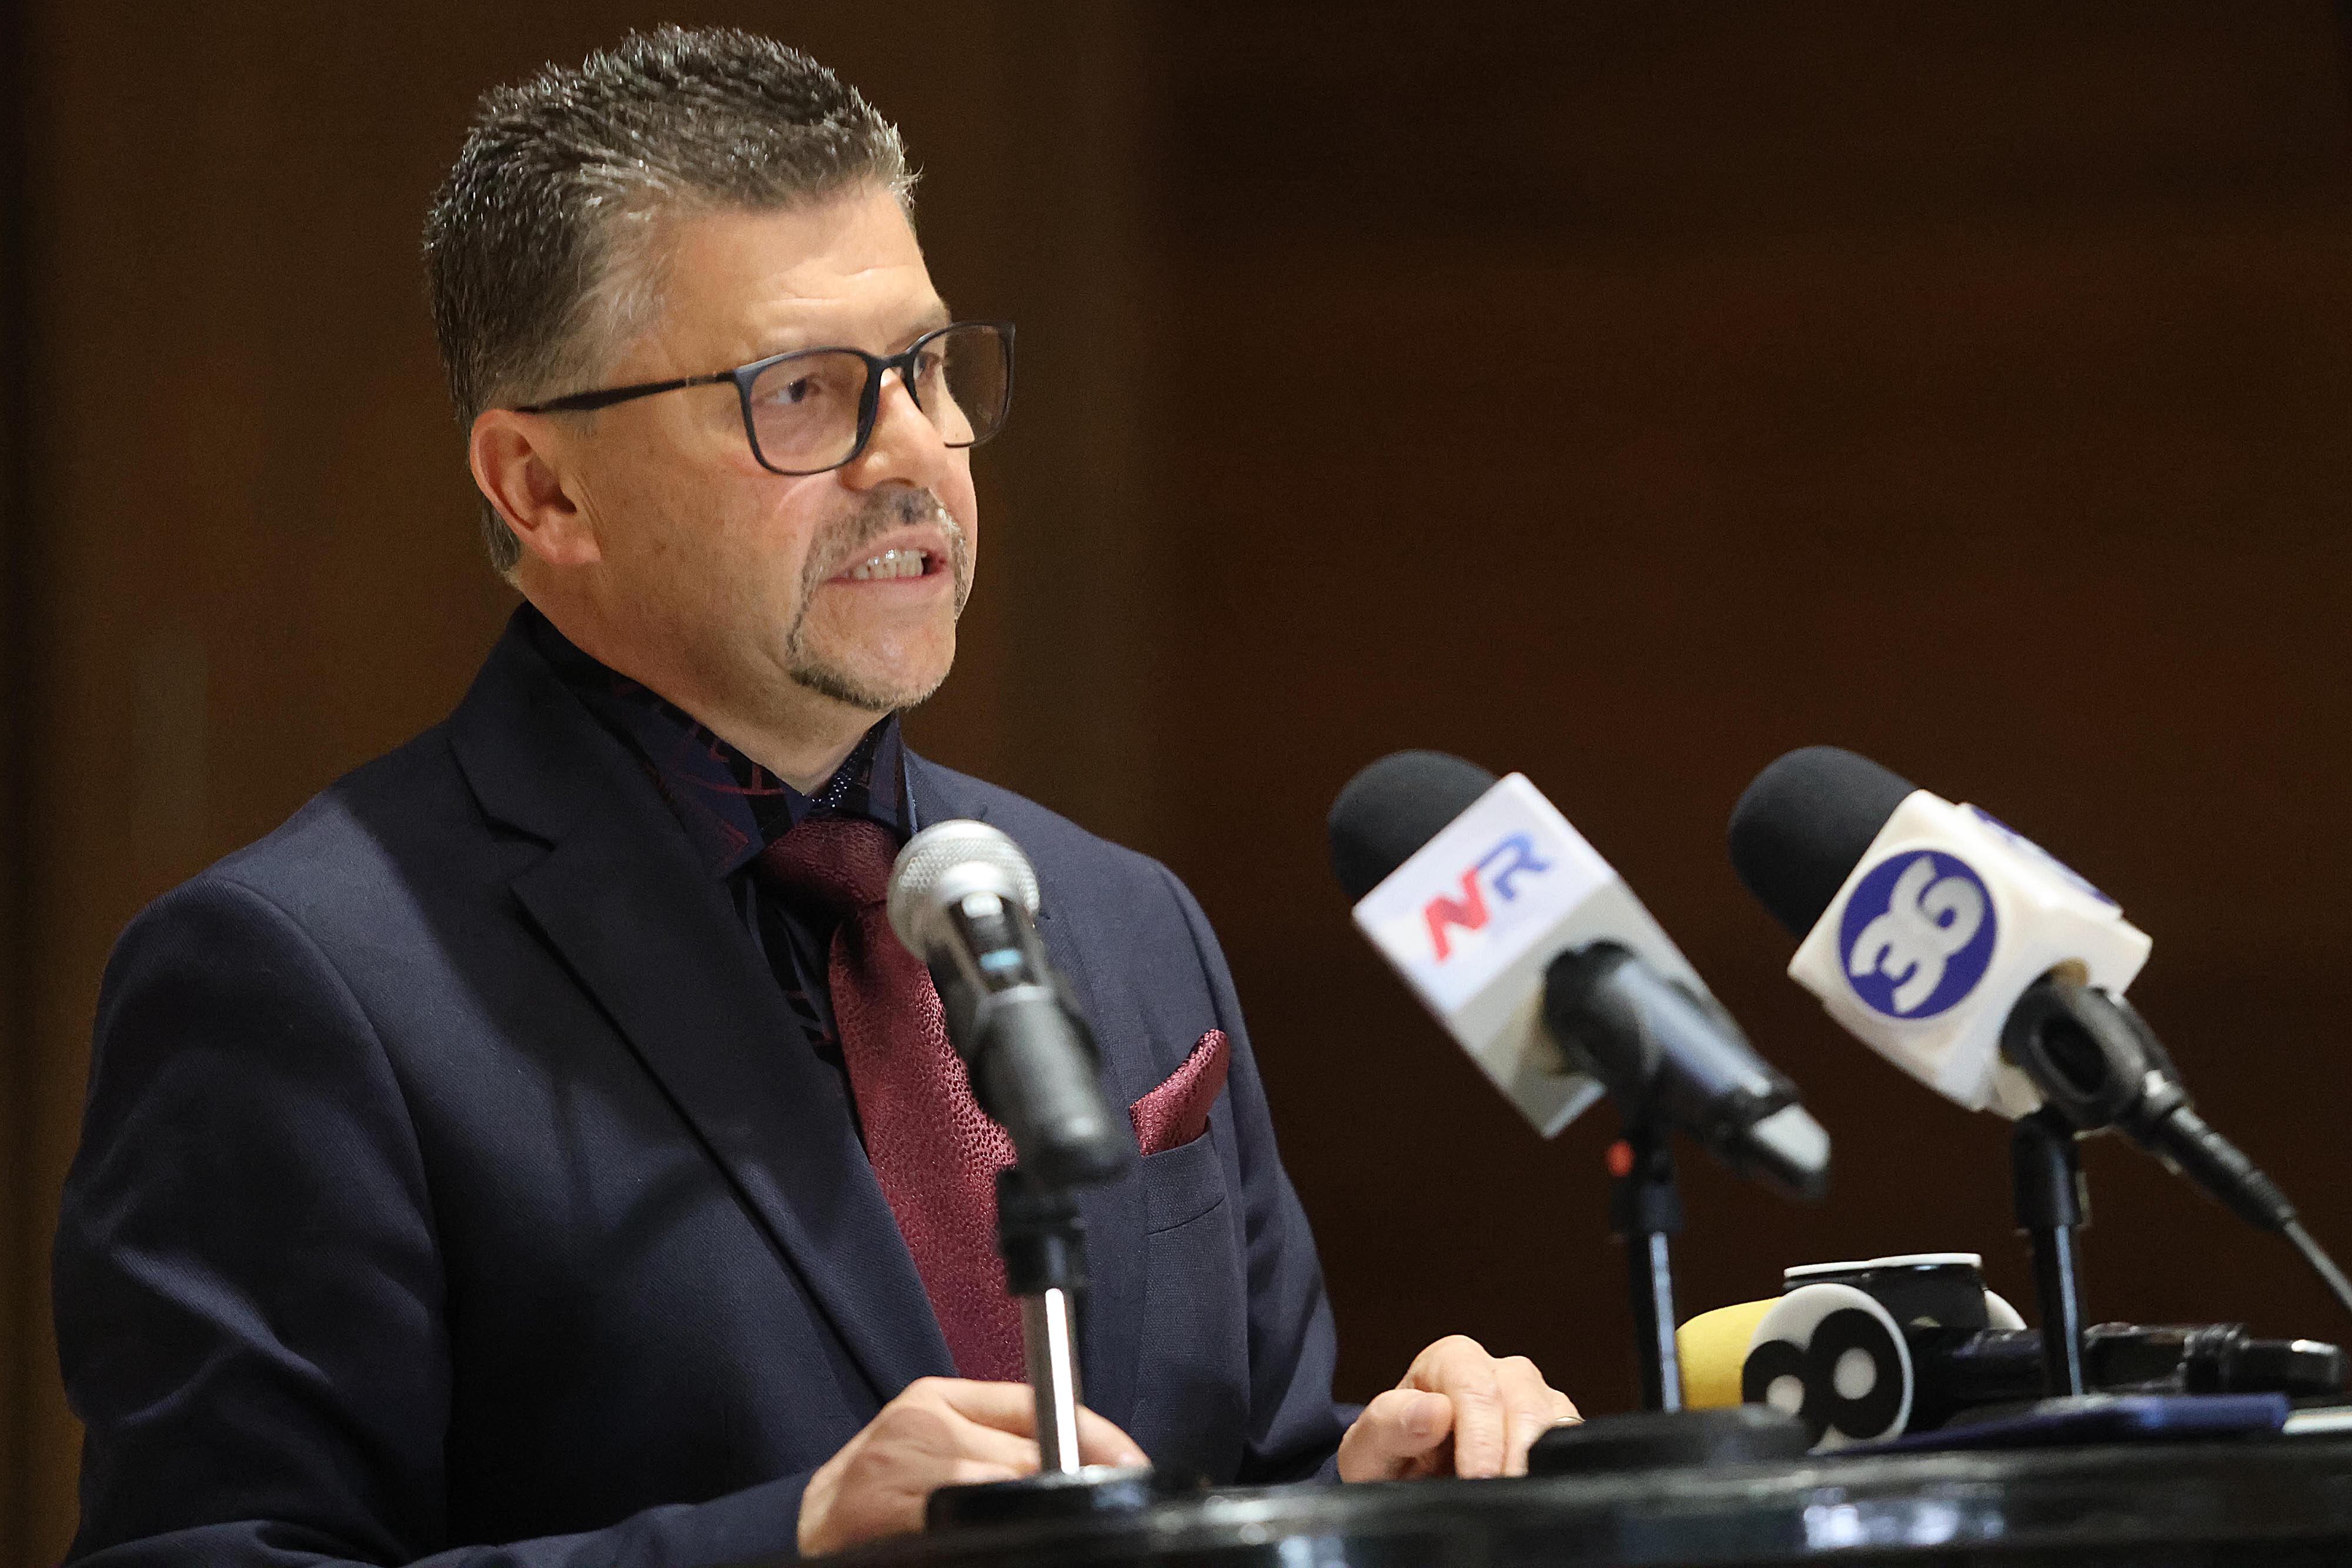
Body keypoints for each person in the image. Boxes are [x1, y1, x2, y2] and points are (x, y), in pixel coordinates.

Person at [53, 28, 1577, 1566]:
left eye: (923, 369)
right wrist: (786, 1541)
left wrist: (1379, 1501)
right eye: (803, 394)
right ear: (541, 488)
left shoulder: (1124, 915)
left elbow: (1241, 1473)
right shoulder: (298, 974)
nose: (915, 451)